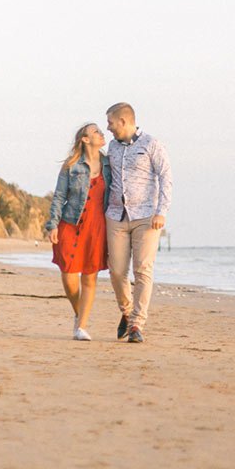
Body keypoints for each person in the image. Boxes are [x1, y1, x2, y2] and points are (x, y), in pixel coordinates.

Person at [105, 102, 172, 344]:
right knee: (117, 271)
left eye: (111, 122)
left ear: (123, 121)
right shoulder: (111, 147)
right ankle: (126, 310)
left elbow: (166, 177)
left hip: (146, 218)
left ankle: (136, 324)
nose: (108, 127)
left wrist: (161, 211)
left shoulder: (151, 144)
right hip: (115, 216)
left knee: (143, 269)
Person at [44, 123, 111, 341]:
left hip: (97, 226)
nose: (102, 134)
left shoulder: (109, 164)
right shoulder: (71, 165)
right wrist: (52, 224)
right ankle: (78, 312)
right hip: (70, 223)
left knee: (90, 278)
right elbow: (59, 196)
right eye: (96, 132)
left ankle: (81, 326)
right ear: (85, 139)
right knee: (69, 274)